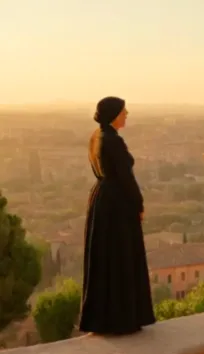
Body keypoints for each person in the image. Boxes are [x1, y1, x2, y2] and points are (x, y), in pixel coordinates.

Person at [79, 96, 156, 334]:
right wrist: (139, 204)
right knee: (121, 258)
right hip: (118, 204)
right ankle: (123, 319)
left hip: (102, 200)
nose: (127, 114)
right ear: (114, 114)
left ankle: (104, 319)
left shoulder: (96, 136)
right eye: (124, 111)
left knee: (106, 259)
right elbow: (126, 178)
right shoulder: (113, 141)